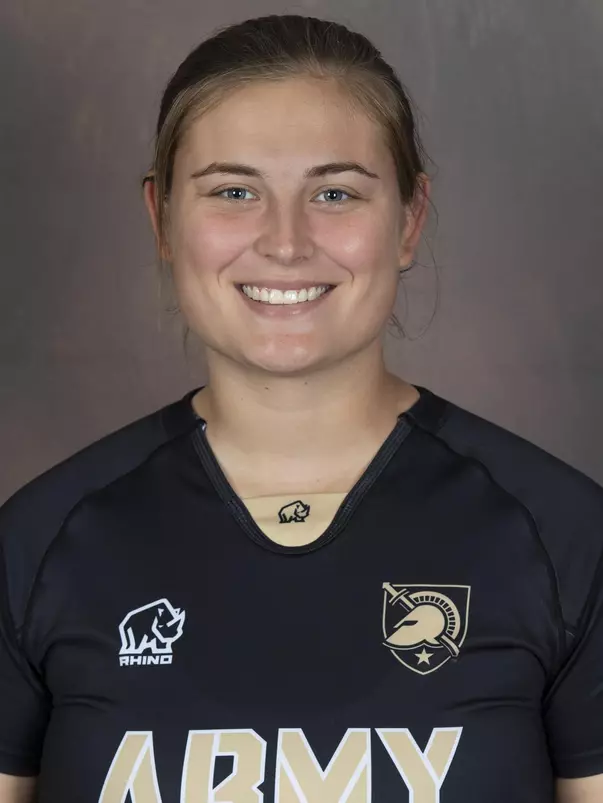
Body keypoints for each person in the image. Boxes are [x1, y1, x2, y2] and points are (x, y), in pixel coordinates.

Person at [0, 12, 602, 803]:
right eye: (233, 191)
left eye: (334, 192)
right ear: (162, 219)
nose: (284, 243)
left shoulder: (562, 537)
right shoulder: (38, 544)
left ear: (409, 219)